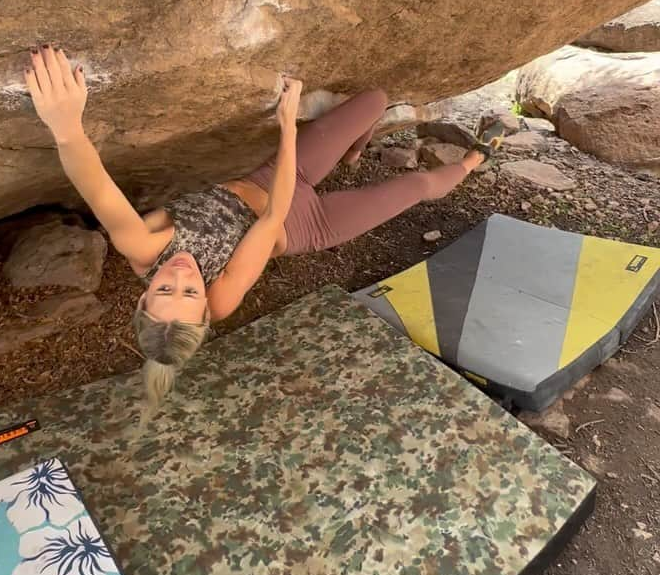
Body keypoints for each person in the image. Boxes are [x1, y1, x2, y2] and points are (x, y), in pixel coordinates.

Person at [25, 45, 485, 407]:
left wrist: (64, 125)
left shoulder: (142, 243)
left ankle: (355, 148)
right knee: (418, 185)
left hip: (267, 178)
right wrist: (287, 126)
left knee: (375, 102)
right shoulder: (221, 300)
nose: (183, 277)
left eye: (165, 290)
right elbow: (272, 217)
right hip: (307, 224)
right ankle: (471, 162)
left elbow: (94, 181)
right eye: (191, 294)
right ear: (205, 310)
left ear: (144, 295)